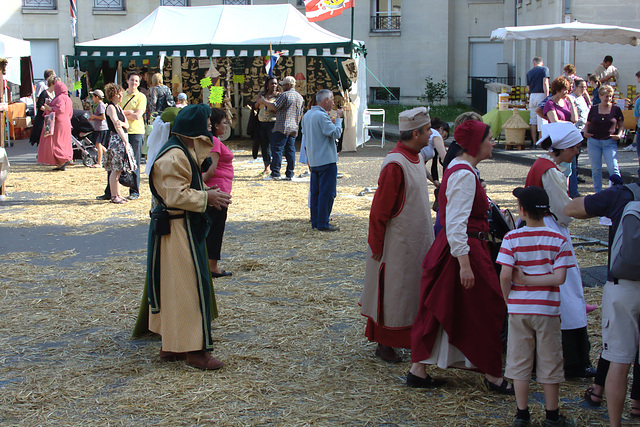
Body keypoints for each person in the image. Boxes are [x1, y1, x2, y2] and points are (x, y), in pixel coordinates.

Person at [409, 120, 513, 394]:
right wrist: (465, 265)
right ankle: (492, 375)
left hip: (459, 249)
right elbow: (455, 222)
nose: (493, 143)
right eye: (490, 138)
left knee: (445, 307)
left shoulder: (462, 168)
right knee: (486, 307)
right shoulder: (464, 174)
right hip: (463, 251)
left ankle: (419, 370)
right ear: (477, 143)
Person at [143, 103, 232, 371]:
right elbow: (175, 195)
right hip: (175, 230)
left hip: (179, 227)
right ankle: (194, 351)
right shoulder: (174, 156)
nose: (210, 129)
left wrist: (205, 193)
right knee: (188, 289)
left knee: (175, 289)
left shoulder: (183, 150)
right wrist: (207, 197)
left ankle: (172, 345)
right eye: (206, 124)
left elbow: (197, 166)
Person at [564, 174, 640, 427]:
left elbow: (571, 208)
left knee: (618, 360)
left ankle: (615, 423)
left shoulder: (622, 194)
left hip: (623, 286)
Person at [360, 107, 435, 364]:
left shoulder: (414, 158)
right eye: (427, 131)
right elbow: (379, 210)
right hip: (396, 244)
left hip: (414, 241)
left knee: (410, 292)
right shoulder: (395, 164)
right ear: (415, 133)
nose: (431, 134)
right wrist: (377, 244)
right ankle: (385, 343)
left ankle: (407, 340)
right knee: (394, 293)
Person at [498, 186, 575, 427]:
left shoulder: (511, 238)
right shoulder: (558, 240)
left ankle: (522, 414)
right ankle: (552, 415)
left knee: (519, 361)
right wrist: (534, 281)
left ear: (521, 211)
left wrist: (508, 298)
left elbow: (505, 275)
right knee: (550, 360)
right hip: (548, 310)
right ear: (547, 212)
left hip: (519, 309)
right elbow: (559, 278)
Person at [525, 122, 594, 378]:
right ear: (563, 147)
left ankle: (538, 360)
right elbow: (564, 210)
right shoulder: (551, 172)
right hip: (551, 230)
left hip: (536, 230)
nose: (576, 152)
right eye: (575, 148)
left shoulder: (540, 165)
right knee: (567, 292)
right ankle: (573, 360)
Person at [302, 89, 343, 232]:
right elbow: (335, 133)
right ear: (325, 100)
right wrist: (339, 119)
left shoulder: (307, 115)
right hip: (326, 160)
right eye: (331, 99)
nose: (333, 102)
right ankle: (323, 222)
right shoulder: (321, 116)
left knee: (316, 193)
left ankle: (316, 221)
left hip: (314, 160)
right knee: (327, 193)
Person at [202, 107, 234, 278]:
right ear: (214, 125)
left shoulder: (215, 140)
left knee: (214, 228)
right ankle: (212, 266)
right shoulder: (214, 141)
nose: (226, 125)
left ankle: (210, 264)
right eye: (223, 122)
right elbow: (210, 170)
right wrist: (201, 186)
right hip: (217, 191)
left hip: (219, 189)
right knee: (215, 229)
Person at [259, 75, 304, 181]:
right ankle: (290, 174)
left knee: (277, 150)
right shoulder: (299, 97)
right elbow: (300, 113)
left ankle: (275, 173)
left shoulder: (284, 95)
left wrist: (264, 101)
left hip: (282, 126)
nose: (281, 86)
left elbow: (275, 107)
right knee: (290, 151)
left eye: (283, 84)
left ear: (288, 85)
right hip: (293, 127)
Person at [585, 85, 624, 193]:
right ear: (600, 96)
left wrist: (619, 134)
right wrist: (586, 132)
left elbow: (621, 125)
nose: (609, 99)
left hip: (609, 141)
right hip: (594, 141)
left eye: (610, 97)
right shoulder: (594, 109)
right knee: (596, 169)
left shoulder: (616, 109)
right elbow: (587, 123)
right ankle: (598, 192)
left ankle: (616, 191)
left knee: (613, 167)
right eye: (606, 96)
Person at [102, 83, 136, 205]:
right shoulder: (110, 107)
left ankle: (118, 194)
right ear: (114, 95)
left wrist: (121, 124)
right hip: (117, 140)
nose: (121, 96)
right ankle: (114, 196)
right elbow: (116, 125)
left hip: (122, 138)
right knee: (115, 169)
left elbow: (125, 124)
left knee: (120, 169)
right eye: (119, 94)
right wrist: (125, 141)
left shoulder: (119, 108)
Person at [120, 72, 146, 200]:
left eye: (136, 81)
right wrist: (129, 112)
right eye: (132, 80)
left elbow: (137, 116)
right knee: (117, 161)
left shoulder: (141, 97)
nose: (134, 83)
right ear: (127, 81)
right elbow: (115, 112)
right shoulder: (121, 95)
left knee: (134, 162)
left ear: (139, 83)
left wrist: (124, 114)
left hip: (136, 132)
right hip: (122, 131)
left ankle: (134, 191)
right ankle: (112, 191)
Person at [37, 81, 73, 171]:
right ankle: (62, 162)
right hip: (66, 122)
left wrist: (49, 108)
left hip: (58, 122)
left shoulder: (60, 98)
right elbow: (70, 112)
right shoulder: (68, 98)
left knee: (56, 142)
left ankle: (63, 159)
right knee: (64, 142)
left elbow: (59, 109)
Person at [567, 78, 590, 198]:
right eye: (582, 87)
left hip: (582, 131)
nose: (584, 89)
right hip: (575, 132)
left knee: (576, 162)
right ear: (575, 87)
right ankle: (573, 191)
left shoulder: (583, 98)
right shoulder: (572, 98)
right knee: (572, 164)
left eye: (586, 87)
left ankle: (573, 189)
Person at [254, 77, 279, 176]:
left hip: (273, 123)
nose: (274, 86)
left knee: (274, 146)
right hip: (262, 123)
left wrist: (264, 102)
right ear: (267, 85)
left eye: (276, 84)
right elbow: (255, 106)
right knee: (264, 146)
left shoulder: (278, 96)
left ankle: (275, 168)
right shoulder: (262, 94)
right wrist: (259, 102)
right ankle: (266, 167)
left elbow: (276, 108)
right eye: (272, 83)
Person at [30, 75, 57, 146]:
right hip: (42, 119)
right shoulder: (44, 93)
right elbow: (39, 105)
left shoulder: (54, 94)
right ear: (51, 84)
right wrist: (47, 109)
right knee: (42, 137)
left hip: (49, 118)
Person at [527, 57, 550, 140]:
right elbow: (545, 83)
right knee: (541, 119)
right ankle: (540, 140)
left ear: (533, 63)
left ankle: (534, 141)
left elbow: (528, 87)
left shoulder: (529, 72)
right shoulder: (544, 69)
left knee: (533, 120)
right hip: (541, 94)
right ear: (542, 63)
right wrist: (546, 97)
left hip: (532, 95)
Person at [88, 89, 108, 167]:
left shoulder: (100, 105)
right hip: (99, 127)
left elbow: (103, 117)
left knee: (98, 144)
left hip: (101, 128)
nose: (92, 98)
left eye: (93, 97)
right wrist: (93, 118)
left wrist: (94, 116)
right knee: (98, 144)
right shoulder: (99, 106)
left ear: (97, 97)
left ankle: (99, 162)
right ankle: (109, 156)